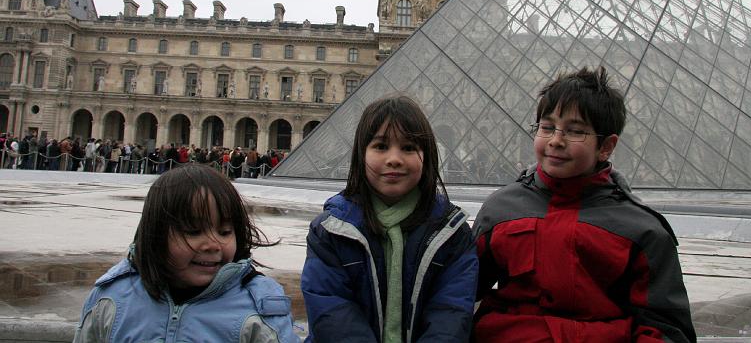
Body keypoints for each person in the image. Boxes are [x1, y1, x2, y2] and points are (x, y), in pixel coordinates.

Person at [472, 67, 696, 343]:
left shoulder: (644, 231)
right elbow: (456, 293)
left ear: (606, 146)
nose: (556, 141)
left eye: (575, 131)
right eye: (547, 127)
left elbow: (666, 328)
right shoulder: (499, 210)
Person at [301, 95, 477, 342]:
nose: (394, 158)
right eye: (381, 146)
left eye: (408, 147)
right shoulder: (329, 231)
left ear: (427, 156)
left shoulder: (453, 234)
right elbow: (332, 314)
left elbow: (451, 314)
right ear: (361, 154)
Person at [73, 164, 299, 342]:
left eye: (224, 232)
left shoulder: (259, 308)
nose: (212, 244)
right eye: (193, 231)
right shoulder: (111, 299)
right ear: (155, 234)